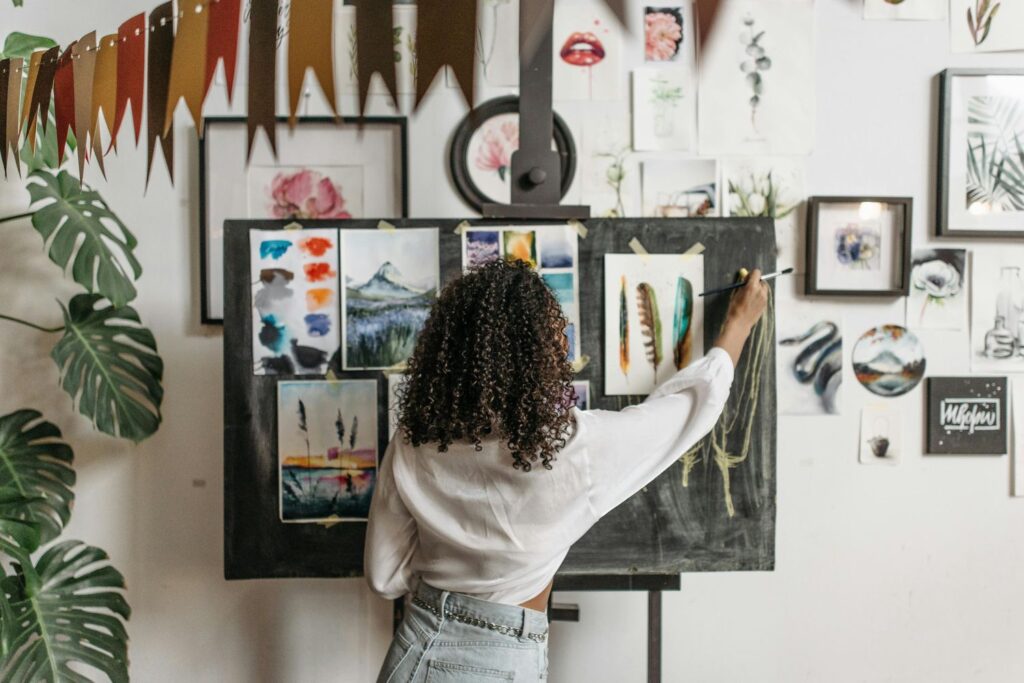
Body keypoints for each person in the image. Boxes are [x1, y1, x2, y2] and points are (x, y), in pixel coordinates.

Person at [366, 259, 769, 682]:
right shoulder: (570, 449)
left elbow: (383, 575)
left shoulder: (413, 440)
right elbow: (686, 411)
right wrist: (737, 326)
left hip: (418, 647)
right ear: (538, 355)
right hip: (498, 660)